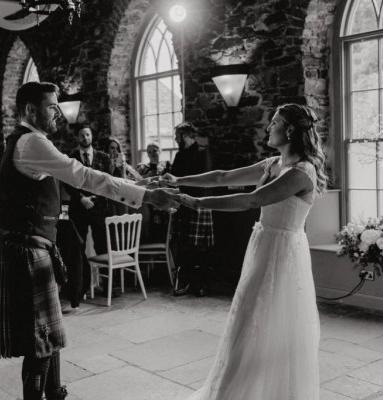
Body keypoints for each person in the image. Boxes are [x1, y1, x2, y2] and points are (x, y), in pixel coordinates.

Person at [0, 81, 176, 400]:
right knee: (40, 342)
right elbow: (84, 176)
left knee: (47, 335)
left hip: (31, 245)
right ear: (31, 110)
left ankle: (55, 392)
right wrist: (146, 196)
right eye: (52, 106)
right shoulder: (31, 142)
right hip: (27, 249)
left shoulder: (23, 141)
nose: (58, 112)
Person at [159, 104, 328, 400]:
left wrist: (197, 203)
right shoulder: (273, 164)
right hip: (263, 245)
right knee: (247, 318)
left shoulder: (302, 173)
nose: (268, 128)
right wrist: (179, 181)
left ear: (289, 130)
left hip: (283, 252)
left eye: (273, 122)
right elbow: (223, 176)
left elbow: (253, 200)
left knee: (270, 321)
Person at [168, 122, 214, 296]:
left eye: (177, 136)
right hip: (183, 204)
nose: (175, 139)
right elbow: (174, 176)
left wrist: (190, 198)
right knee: (184, 246)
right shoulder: (179, 155)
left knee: (200, 247)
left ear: (185, 135)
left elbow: (204, 179)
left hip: (199, 202)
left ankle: (201, 283)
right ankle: (185, 281)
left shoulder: (203, 152)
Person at [66, 125, 111, 256]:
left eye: (87, 134)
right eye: (82, 135)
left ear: (91, 136)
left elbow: (107, 181)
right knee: (78, 248)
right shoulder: (71, 158)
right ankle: (82, 277)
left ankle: (105, 277)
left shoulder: (104, 158)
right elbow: (67, 182)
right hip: (78, 208)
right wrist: (81, 198)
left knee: (103, 247)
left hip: (100, 208)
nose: (85, 138)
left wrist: (95, 198)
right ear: (77, 138)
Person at [136, 143, 171, 243]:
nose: (152, 154)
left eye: (155, 151)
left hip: (164, 199)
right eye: (149, 152)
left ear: (160, 151)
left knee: (164, 230)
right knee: (149, 227)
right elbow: (136, 182)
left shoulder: (166, 165)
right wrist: (146, 177)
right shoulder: (143, 167)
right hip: (148, 203)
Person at [105, 137, 141, 216]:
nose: (115, 150)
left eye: (117, 148)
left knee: (123, 219)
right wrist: (111, 167)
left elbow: (137, 177)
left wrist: (123, 171)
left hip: (122, 195)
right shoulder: (104, 163)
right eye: (112, 148)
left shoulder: (122, 163)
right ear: (107, 150)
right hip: (110, 197)